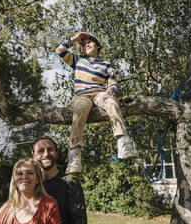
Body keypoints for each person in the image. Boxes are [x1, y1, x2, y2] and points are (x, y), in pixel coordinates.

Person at [55, 32, 138, 174]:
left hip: (100, 93)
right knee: (79, 112)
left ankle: (123, 141)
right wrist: (75, 39)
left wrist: (112, 89)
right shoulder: (78, 60)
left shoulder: (105, 64)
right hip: (82, 94)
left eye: (90, 42)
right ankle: (75, 154)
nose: (86, 44)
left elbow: (111, 80)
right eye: (83, 44)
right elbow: (60, 51)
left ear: (98, 46)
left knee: (112, 103)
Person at [31, 136, 87, 224]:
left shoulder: (69, 182)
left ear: (56, 154)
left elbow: (79, 219)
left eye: (50, 149)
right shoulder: (31, 184)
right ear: (34, 156)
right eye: (41, 151)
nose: (46, 154)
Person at [0, 158, 62, 224]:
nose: (24, 177)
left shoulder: (49, 205)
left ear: (38, 179)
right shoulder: (5, 212)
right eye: (20, 173)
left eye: (30, 173)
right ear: (14, 180)